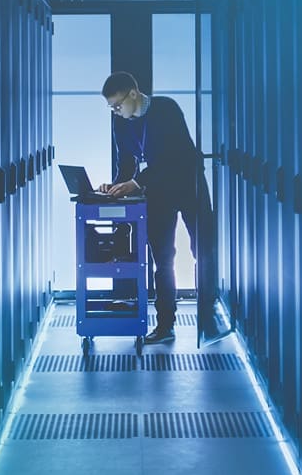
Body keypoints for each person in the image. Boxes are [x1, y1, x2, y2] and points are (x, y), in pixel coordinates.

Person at [98, 71, 233, 347]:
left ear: (133, 94)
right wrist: (116, 187)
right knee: (162, 258)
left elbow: (173, 156)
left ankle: (207, 315)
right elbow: (127, 163)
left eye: (117, 105)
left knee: (202, 249)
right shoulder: (121, 124)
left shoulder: (166, 109)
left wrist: (135, 182)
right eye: (111, 107)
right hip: (157, 191)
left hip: (188, 184)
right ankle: (165, 324)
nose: (115, 111)